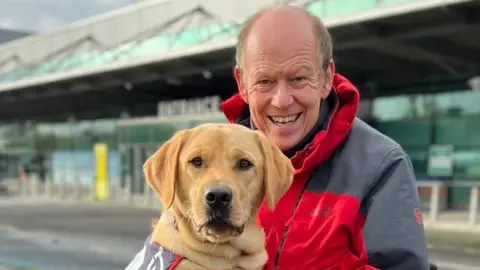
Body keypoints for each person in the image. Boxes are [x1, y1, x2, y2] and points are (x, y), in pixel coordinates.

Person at [125, 5, 430, 270]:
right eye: (265, 81)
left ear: (326, 79)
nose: (282, 100)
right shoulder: (211, 146)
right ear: (242, 84)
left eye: (298, 78)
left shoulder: (379, 165)